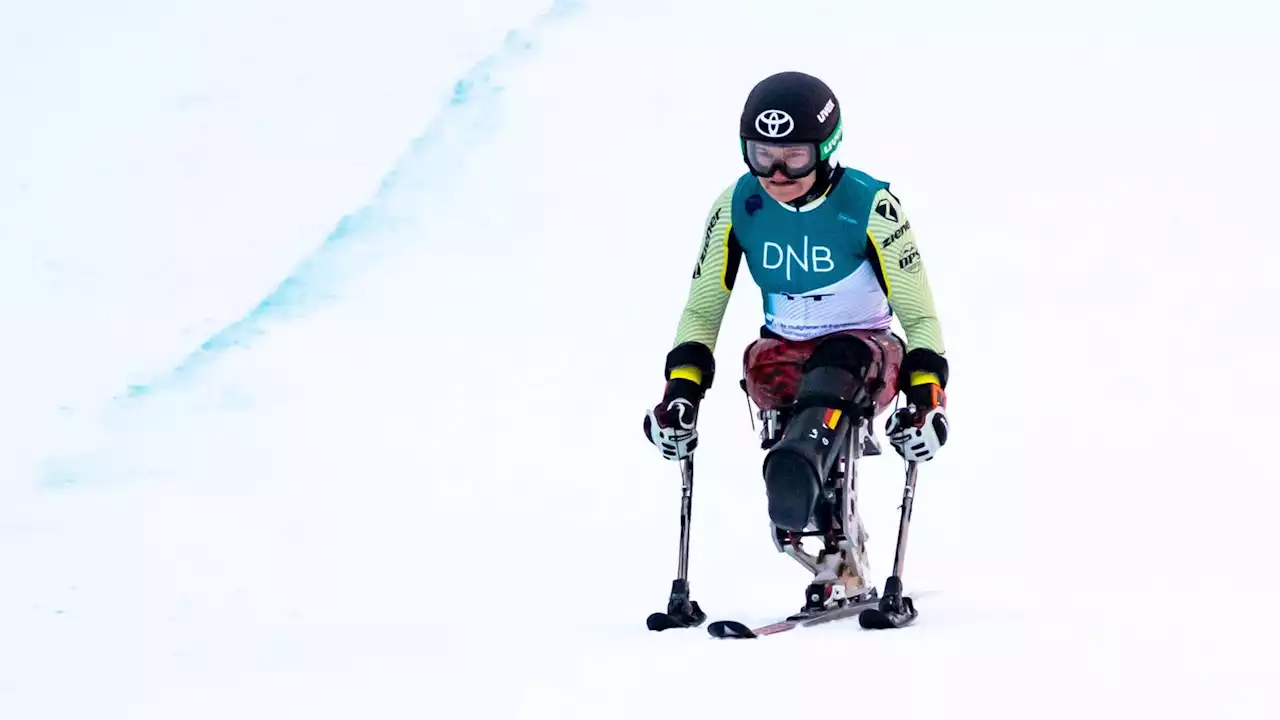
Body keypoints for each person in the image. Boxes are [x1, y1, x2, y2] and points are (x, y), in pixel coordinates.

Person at [642, 70, 950, 609]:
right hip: (783, 353)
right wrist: (680, 395)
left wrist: (928, 400)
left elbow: (920, 318)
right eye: (762, 156)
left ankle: (805, 476)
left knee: (833, 378)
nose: (778, 173)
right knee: (778, 399)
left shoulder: (872, 206)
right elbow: (703, 308)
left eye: (795, 157)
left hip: (865, 352)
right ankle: (833, 556)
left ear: (827, 149)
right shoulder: (738, 205)